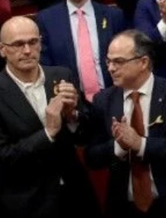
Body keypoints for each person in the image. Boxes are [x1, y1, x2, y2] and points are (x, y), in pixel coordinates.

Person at [85, 30, 166, 217]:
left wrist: (141, 144)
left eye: (118, 61)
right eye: (108, 61)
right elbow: (91, 158)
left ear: (143, 62)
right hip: (124, 208)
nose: (111, 68)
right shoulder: (103, 101)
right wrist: (118, 146)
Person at [0, 16, 100, 218]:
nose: (27, 50)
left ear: (40, 43)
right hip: (28, 202)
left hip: (76, 194)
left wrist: (72, 116)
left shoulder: (62, 75)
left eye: (33, 42)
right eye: (18, 44)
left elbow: (88, 134)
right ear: (3, 49)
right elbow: (3, 157)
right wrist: (48, 133)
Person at [37, 0, 127, 103]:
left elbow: (125, 58)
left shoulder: (114, 16)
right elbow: (45, 65)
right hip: (71, 102)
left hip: (113, 98)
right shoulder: (46, 20)